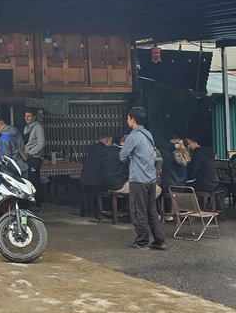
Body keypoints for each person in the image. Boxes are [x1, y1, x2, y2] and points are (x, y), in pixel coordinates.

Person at [119, 107, 167, 250]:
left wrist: (129, 154)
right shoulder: (148, 134)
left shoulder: (132, 136)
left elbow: (122, 156)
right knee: (152, 210)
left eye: (128, 118)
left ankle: (142, 241)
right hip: (151, 178)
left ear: (132, 119)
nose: (127, 120)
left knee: (138, 210)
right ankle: (159, 239)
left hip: (138, 179)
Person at [80, 134, 114, 218]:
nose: (112, 144)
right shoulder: (106, 150)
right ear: (106, 141)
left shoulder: (91, 149)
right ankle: (106, 210)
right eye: (111, 141)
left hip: (84, 180)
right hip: (97, 182)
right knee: (111, 186)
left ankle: (93, 210)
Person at [160, 137, 191, 221]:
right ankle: (173, 212)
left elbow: (161, 145)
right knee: (175, 192)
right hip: (182, 187)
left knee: (156, 191)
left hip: (169, 187)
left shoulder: (169, 157)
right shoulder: (186, 158)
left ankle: (162, 214)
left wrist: (174, 146)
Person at [23, 108, 46, 210]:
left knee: (35, 181)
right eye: (25, 116)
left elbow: (41, 143)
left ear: (34, 117)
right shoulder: (26, 128)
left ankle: (37, 204)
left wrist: (30, 152)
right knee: (29, 180)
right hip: (27, 157)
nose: (27, 118)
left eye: (29, 116)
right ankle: (30, 203)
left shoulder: (38, 128)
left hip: (34, 158)